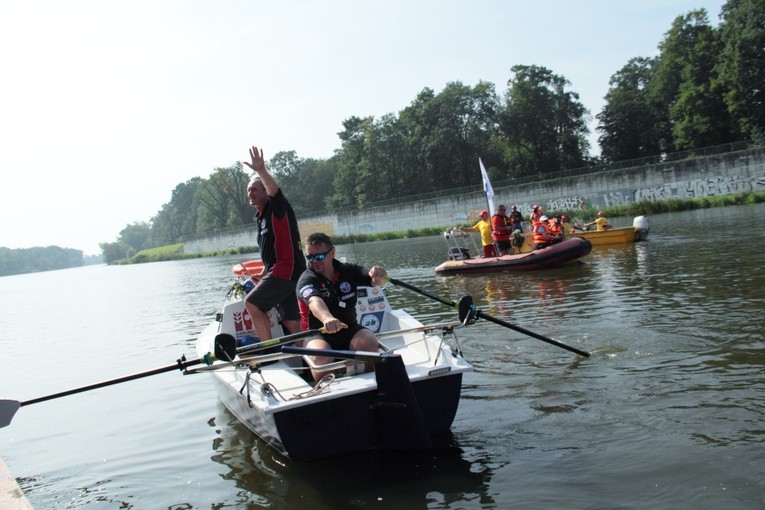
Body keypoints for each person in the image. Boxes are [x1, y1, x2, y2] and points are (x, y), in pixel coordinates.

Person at [297, 233, 387, 381]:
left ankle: (373, 384)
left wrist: (379, 274)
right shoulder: (307, 279)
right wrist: (327, 318)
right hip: (317, 333)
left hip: (348, 328)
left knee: (370, 343)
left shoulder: (347, 270)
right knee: (321, 356)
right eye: (309, 257)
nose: (314, 262)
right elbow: (314, 301)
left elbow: (375, 281)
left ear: (332, 253)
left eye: (319, 257)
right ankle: (324, 392)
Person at [243, 146, 306, 342]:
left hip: (286, 271)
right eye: (248, 191)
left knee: (252, 303)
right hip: (283, 272)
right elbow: (273, 251)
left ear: (265, 190)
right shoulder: (261, 217)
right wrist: (263, 274)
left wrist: (261, 171)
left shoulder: (276, 206)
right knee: (290, 321)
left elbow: (274, 190)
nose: (250, 193)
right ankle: (309, 356)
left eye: (254, 189)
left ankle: (267, 349)